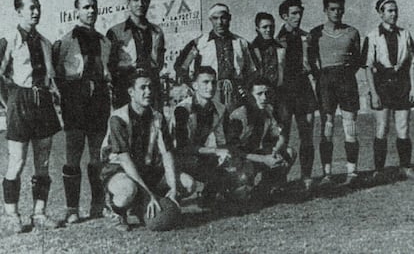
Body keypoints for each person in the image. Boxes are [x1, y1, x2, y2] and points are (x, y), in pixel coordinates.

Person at [101, 68, 192, 231]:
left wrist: (173, 188)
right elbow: (125, 160)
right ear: (131, 92)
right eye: (142, 87)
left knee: (187, 184)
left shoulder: (157, 116)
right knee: (127, 192)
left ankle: (141, 206)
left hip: (148, 170)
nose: (148, 92)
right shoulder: (118, 118)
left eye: (150, 87)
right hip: (119, 170)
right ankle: (114, 210)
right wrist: (148, 193)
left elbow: (167, 154)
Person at [0, 0, 61, 232]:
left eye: (38, 7)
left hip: (42, 102)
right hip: (20, 101)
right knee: (17, 161)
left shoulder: (46, 42)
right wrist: (8, 103)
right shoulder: (9, 39)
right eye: (31, 8)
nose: (36, 12)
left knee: (43, 162)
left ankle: (39, 213)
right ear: (19, 12)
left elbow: (51, 77)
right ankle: (12, 215)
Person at [53, 0, 111, 223]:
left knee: (98, 156)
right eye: (86, 7)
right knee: (73, 154)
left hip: (99, 99)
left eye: (94, 7)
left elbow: (108, 71)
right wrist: (68, 97)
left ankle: (98, 205)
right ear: (76, 10)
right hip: (75, 100)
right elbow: (57, 74)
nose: (91, 11)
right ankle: (72, 209)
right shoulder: (66, 41)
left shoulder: (105, 41)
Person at [309, 0, 362, 186]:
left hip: (347, 81)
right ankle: (327, 174)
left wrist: (345, 74)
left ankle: (352, 172)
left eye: (339, 9)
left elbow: (357, 59)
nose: (336, 12)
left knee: (350, 127)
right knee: (327, 127)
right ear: (325, 10)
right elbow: (310, 59)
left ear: (344, 10)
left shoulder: (352, 32)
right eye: (332, 9)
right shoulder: (315, 33)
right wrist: (322, 77)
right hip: (325, 82)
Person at [364, 0, 414, 181]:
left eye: (395, 10)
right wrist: (374, 93)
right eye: (390, 11)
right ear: (381, 13)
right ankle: (379, 170)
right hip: (382, 85)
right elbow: (368, 67)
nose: (394, 14)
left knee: (403, 127)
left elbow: (412, 63)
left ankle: (405, 167)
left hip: (402, 85)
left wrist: (413, 89)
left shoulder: (405, 34)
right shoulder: (372, 36)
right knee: (382, 127)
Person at [169, 66, 232, 205]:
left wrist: (224, 155)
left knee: (230, 169)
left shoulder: (220, 108)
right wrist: (215, 151)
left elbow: (221, 140)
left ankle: (209, 194)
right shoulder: (183, 109)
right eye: (205, 82)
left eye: (213, 82)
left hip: (198, 153)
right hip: (176, 157)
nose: (210, 87)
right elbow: (181, 147)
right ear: (195, 85)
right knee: (190, 181)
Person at [174, 3, 256, 110]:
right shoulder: (199, 43)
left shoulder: (242, 43)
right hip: (209, 92)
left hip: (236, 94)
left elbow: (253, 70)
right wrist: (193, 87)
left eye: (223, 18)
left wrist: (245, 87)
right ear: (210, 20)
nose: (220, 22)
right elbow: (181, 67)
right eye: (215, 18)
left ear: (229, 18)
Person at [227, 76, 296, 198]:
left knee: (289, 152)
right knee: (242, 189)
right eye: (259, 94)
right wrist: (264, 159)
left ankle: (264, 188)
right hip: (237, 160)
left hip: (255, 155)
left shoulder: (268, 110)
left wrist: (275, 151)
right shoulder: (238, 115)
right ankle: (220, 190)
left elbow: (280, 136)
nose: (264, 98)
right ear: (249, 95)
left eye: (267, 93)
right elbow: (233, 151)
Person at [276, 0, 318, 190]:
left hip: (303, 89)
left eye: (299, 13)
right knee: (282, 137)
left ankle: (306, 177)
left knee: (307, 134)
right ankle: (279, 179)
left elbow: (314, 64)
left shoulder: (306, 37)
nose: (298, 17)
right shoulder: (276, 40)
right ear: (284, 16)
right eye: (293, 13)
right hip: (284, 92)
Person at [107, 0, 165, 109]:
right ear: (128, 3)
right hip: (126, 86)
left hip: (151, 85)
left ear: (148, 3)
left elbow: (159, 60)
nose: (140, 4)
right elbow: (110, 64)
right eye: (136, 0)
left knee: (154, 122)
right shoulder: (115, 32)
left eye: (144, 0)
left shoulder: (157, 32)